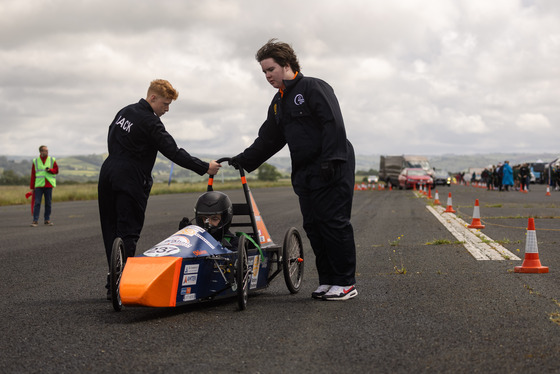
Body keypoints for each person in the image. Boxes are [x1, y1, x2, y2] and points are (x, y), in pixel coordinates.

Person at [230, 39, 357, 301]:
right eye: (263, 72)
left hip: (333, 164)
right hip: (306, 170)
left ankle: (345, 283)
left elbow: (332, 123)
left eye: (270, 70)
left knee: (333, 223)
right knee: (314, 226)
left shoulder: (313, 88)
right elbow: (268, 140)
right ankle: (328, 281)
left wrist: (331, 161)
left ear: (286, 66)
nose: (267, 76)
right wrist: (242, 160)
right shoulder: (278, 103)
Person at [98, 79, 221, 298]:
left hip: (108, 173)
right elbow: (173, 152)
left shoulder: (124, 112)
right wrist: (205, 167)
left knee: (111, 229)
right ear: (152, 97)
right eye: (165, 104)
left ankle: (112, 281)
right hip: (131, 177)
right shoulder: (150, 122)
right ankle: (120, 284)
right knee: (128, 232)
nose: (166, 109)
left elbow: (111, 134)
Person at [29, 145, 58, 227]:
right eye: (45, 150)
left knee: (48, 203)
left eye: (47, 150)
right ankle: (35, 221)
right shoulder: (36, 161)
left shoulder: (52, 160)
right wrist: (32, 188)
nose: (47, 152)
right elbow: (33, 175)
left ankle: (47, 220)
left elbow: (56, 170)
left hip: (49, 184)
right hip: (38, 185)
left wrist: (50, 170)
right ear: (41, 152)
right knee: (37, 203)